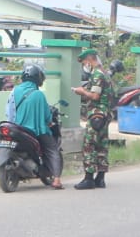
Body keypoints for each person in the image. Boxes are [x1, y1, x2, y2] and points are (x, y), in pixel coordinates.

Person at [7, 62, 62, 189]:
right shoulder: (39, 94)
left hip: (16, 129)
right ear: (38, 78)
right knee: (52, 149)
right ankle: (57, 180)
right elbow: (47, 117)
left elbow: (9, 112)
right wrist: (49, 121)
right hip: (36, 131)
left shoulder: (14, 91)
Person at [72, 48, 113, 189]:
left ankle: (89, 178)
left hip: (96, 114)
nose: (84, 65)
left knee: (89, 145)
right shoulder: (105, 73)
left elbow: (95, 96)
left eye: (84, 62)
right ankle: (100, 178)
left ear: (89, 60)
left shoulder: (97, 74)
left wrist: (82, 91)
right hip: (104, 115)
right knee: (102, 145)